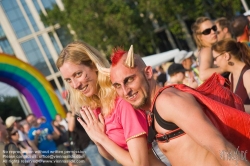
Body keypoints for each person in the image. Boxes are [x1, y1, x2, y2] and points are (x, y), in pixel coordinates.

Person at [106, 46, 250, 165]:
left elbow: (221, 147)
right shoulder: (155, 109)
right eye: (118, 86)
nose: (125, 91)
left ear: (148, 73)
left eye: (129, 80)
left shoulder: (167, 102)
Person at [56, 41, 165, 166]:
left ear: (93, 65)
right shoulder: (95, 107)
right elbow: (109, 156)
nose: (75, 85)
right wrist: (97, 139)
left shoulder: (122, 100)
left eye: (78, 74)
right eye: (69, 80)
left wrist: (101, 138)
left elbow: (140, 164)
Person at [212, 38, 250, 113]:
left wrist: (230, 108)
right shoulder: (231, 76)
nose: (215, 63)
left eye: (215, 58)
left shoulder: (247, 75)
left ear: (226, 56)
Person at [191, 17, 223, 82]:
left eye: (214, 28)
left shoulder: (209, 49)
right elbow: (203, 75)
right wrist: (226, 68)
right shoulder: (207, 50)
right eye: (207, 31)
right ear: (199, 37)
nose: (213, 32)